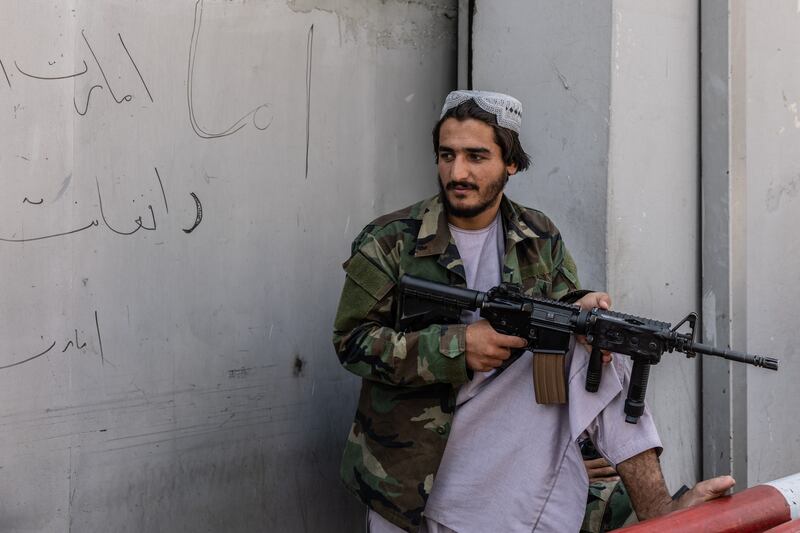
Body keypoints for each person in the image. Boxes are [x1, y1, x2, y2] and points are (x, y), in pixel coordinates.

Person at [332, 90, 734, 532]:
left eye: (476, 156)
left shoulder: (539, 235)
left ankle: (659, 512)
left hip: (512, 437)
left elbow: (564, 308)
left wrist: (581, 308)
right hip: (417, 458)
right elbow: (351, 343)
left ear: (512, 164)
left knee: (597, 341)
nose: (457, 172)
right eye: (447, 155)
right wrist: (456, 347)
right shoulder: (390, 240)